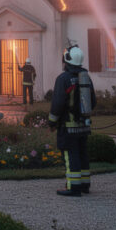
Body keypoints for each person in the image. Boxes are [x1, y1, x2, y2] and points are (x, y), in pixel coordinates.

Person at [47, 45, 94, 196]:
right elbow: (93, 100)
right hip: (83, 126)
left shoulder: (63, 79)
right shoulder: (86, 76)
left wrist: (52, 122)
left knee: (70, 154)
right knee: (82, 153)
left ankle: (73, 187)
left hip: (68, 126)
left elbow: (58, 104)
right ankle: (84, 185)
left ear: (66, 60)